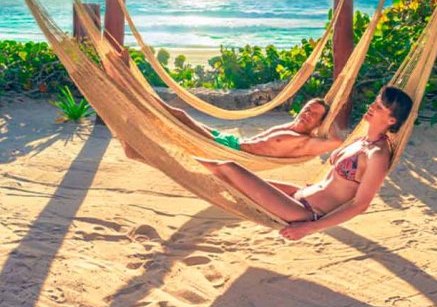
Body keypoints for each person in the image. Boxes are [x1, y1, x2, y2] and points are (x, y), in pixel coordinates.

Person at [201, 85, 414, 241]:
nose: (372, 106)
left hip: (305, 212)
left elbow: (360, 205)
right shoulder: (361, 140)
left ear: (391, 120)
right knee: (226, 180)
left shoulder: (378, 155)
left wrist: (308, 228)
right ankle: (186, 166)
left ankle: (185, 162)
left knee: (228, 168)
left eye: (379, 107)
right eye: (375, 102)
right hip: (298, 193)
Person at [126, 97, 342, 160]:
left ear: (319, 123)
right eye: (307, 109)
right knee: (178, 127)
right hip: (229, 141)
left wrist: (331, 119)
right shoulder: (291, 126)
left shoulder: (305, 142)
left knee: (180, 117)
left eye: (314, 114)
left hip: (230, 151)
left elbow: (337, 142)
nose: (307, 114)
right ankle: (135, 100)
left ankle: (137, 98)